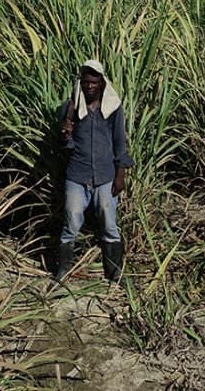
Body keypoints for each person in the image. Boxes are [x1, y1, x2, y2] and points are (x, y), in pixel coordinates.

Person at [54, 60, 134, 283]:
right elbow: (63, 145)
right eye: (86, 82)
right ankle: (64, 270)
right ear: (81, 83)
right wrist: (64, 134)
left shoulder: (113, 108)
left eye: (94, 82)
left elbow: (119, 141)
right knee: (71, 223)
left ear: (102, 84)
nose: (89, 86)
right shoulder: (70, 107)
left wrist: (121, 175)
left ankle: (114, 271)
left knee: (109, 225)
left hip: (106, 176)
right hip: (77, 176)